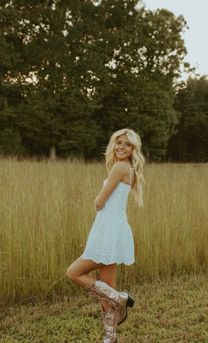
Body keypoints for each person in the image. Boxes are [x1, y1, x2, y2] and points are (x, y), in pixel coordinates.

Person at [66, 128, 145, 343]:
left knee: (73, 272)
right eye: (118, 142)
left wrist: (96, 203)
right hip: (116, 227)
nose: (121, 147)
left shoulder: (119, 167)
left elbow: (99, 201)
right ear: (114, 144)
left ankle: (120, 298)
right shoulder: (129, 169)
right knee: (106, 285)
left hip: (108, 228)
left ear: (133, 149)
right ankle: (110, 337)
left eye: (127, 144)